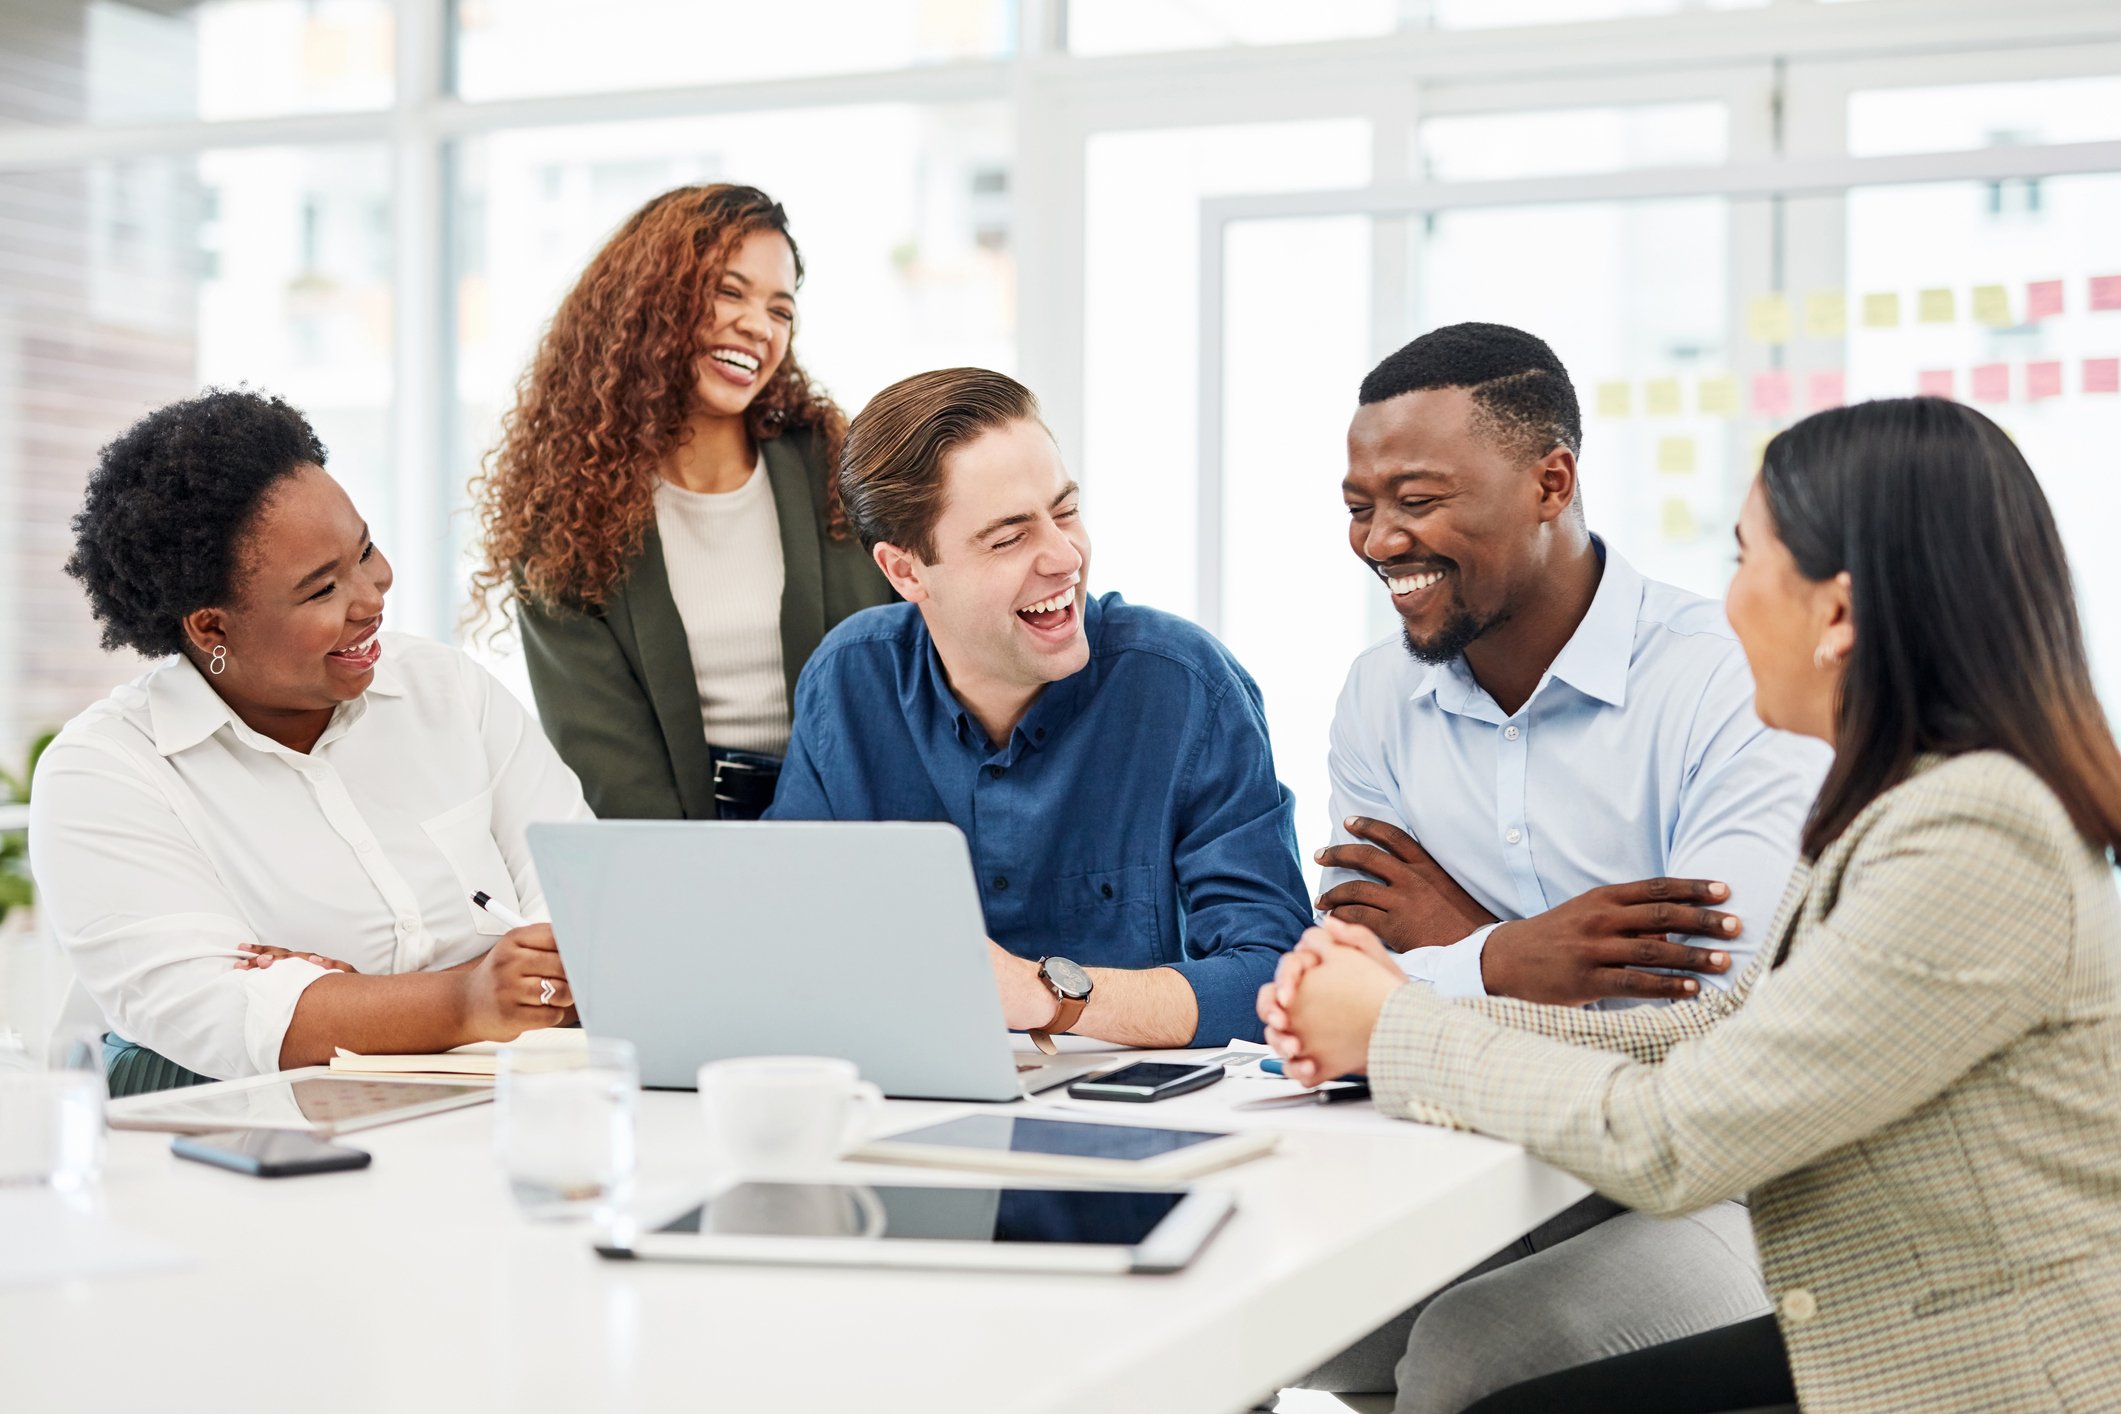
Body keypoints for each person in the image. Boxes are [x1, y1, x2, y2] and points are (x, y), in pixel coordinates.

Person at [1264, 396, 2121, 1414]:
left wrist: (1399, 1023)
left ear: (1838, 614)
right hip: (1893, 1320)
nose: (1725, 604)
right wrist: (1398, 1022)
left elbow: (1676, 1138)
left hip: (1969, 1375)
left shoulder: (1972, 836)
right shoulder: (1913, 802)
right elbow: (1723, 1029)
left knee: (1486, 1373)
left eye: (1742, 558)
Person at [1288, 324, 1830, 1412]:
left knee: (1469, 1350)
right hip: (1491, 1157)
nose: (1380, 539)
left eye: (1418, 499)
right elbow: (1359, 961)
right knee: (1265, 1316)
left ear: (1552, 481)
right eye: (1360, 506)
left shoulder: (1726, 682)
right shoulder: (1377, 697)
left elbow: (1713, 1009)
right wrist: (1517, 955)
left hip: (1731, 1187)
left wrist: (1457, 945)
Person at [32, 389, 591, 1095]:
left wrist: (354, 1006)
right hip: (238, 1151)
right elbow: (222, 1017)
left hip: (495, 1110)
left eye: (365, 550)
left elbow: (585, 917)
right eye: (321, 590)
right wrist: (468, 997)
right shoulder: (106, 774)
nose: (372, 595)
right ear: (211, 629)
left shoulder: (447, 692)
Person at [766, 368, 1310, 1048]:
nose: (1064, 557)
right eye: (1007, 538)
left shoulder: (1186, 686)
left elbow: (1275, 983)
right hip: (904, 1106)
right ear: (906, 571)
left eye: (1065, 511)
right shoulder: (848, 683)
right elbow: (787, 939)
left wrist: (1041, 995)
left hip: (1136, 1123)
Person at [469, 184, 892, 821]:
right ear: (647, 302)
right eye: (729, 291)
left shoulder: (839, 473)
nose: (758, 325)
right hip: (681, 842)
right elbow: (612, 773)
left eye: (781, 310)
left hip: (859, 821)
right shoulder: (568, 524)